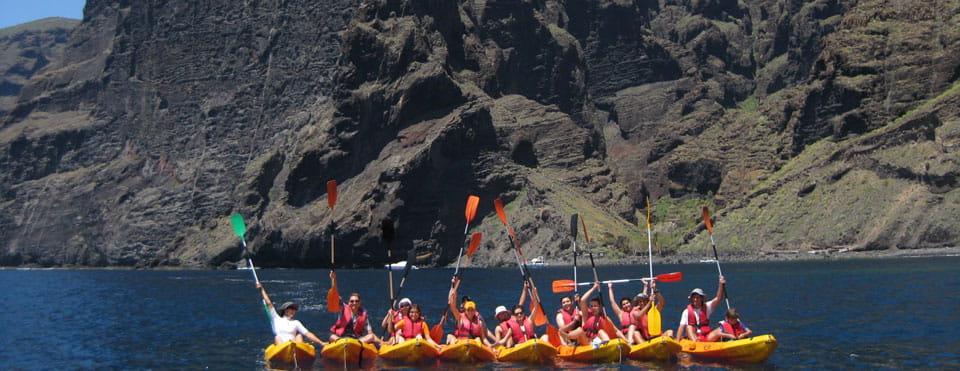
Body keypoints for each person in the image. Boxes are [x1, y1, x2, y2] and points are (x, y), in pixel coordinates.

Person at [256, 282, 327, 346]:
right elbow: (269, 303)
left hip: (294, 345)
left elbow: (307, 334)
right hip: (282, 346)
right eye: (291, 309)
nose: (293, 311)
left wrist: (321, 343)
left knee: (299, 336)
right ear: (285, 310)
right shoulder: (276, 318)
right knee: (277, 337)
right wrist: (262, 289)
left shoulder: (296, 323)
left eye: (294, 309)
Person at [328, 271, 381, 344]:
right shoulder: (343, 308)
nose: (354, 303)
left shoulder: (363, 314)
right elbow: (335, 297)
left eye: (356, 301)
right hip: (341, 338)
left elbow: (369, 332)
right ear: (348, 303)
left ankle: (384, 344)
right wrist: (333, 280)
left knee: (371, 336)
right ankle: (342, 343)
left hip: (356, 340)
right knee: (332, 336)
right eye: (352, 301)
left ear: (360, 303)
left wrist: (373, 341)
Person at [446, 276, 493, 346]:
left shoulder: (479, 322)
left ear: (475, 311)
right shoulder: (459, 317)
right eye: (468, 310)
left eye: (472, 310)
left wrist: (491, 347)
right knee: (450, 337)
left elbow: (484, 338)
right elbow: (452, 305)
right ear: (465, 310)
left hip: (471, 344)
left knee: (478, 339)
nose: (470, 312)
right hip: (460, 343)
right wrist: (454, 287)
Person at [676, 275, 725, 342]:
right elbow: (681, 327)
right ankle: (696, 343)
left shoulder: (707, 307)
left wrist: (721, 284)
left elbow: (718, 298)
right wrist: (678, 341)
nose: (695, 300)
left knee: (720, 329)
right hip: (694, 336)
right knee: (689, 327)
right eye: (694, 298)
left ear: (702, 298)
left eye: (698, 297)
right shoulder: (686, 311)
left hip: (706, 335)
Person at [575, 281, 613, 346]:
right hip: (585, 342)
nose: (593, 308)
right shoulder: (586, 315)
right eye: (591, 306)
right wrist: (594, 288)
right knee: (581, 331)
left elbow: (616, 331)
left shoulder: (604, 317)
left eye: (595, 306)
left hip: (595, 341)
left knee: (601, 332)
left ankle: (608, 345)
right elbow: (583, 300)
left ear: (600, 306)